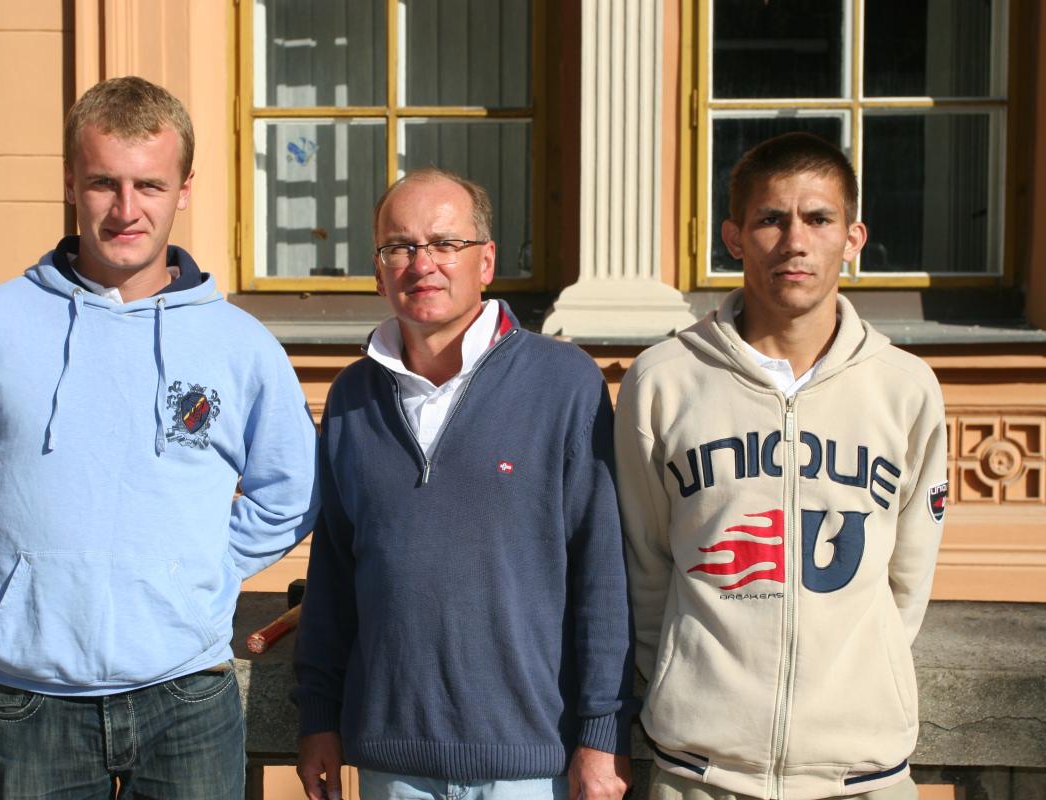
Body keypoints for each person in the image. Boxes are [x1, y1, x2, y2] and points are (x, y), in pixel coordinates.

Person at [0, 76, 319, 799]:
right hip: (31, 701)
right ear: (70, 183)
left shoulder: (240, 344)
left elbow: (291, 493)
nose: (127, 210)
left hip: (188, 694)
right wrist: (24, 575)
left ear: (185, 189)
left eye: (150, 185)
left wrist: (194, 569)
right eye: (103, 184)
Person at [614, 132, 948, 800]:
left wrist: (859, 687)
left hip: (862, 773)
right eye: (771, 219)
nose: (795, 242)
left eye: (819, 219)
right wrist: (686, 682)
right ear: (734, 238)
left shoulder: (905, 387)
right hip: (700, 772)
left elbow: (908, 575)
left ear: (852, 238)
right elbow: (645, 563)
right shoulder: (663, 381)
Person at [293, 168, 637, 800]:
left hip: (531, 763)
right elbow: (334, 572)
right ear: (378, 271)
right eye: (400, 247)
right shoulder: (351, 398)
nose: (422, 264)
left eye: (445, 244)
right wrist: (318, 715)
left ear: (487, 262)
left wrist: (602, 731)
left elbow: (602, 573)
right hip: (391, 762)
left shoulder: (564, 383)